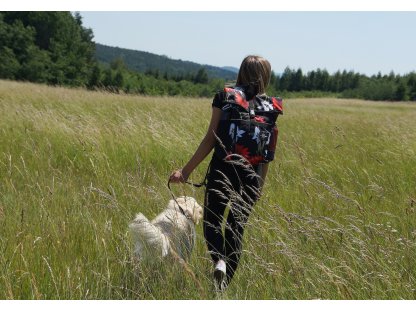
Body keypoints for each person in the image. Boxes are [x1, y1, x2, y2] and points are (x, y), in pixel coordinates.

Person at [169, 55, 282, 291]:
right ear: (266, 77)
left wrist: (185, 171)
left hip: (223, 169)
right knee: (235, 230)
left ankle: (218, 261)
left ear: (241, 72)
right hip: (251, 177)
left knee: (212, 223)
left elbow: (211, 138)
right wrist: (260, 184)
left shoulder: (225, 97)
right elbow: (268, 152)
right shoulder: (271, 106)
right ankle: (222, 289)